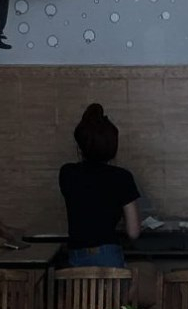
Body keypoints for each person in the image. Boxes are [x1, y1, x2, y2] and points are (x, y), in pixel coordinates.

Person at [58, 103, 141, 267]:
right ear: (112, 147)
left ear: (80, 145)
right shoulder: (122, 177)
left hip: (76, 259)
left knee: (77, 286)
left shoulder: (67, 173)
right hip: (108, 257)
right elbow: (133, 232)